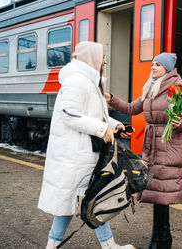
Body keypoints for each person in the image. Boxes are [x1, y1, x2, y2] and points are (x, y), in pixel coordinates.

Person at [38, 41, 134, 249]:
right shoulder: (77, 81)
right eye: (103, 57)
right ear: (92, 58)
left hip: (82, 154)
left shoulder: (89, 81)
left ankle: (104, 245)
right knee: (84, 200)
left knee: (89, 199)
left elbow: (95, 115)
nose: (105, 61)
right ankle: (105, 246)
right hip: (73, 155)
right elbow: (69, 115)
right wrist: (101, 130)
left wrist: (116, 125)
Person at [105, 53, 182, 249]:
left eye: (158, 65)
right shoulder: (150, 87)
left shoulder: (177, 89)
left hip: (168, 146)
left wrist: (178, 124)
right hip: (153, 146)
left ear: (167, 69)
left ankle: (159, 239)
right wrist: (111, 99)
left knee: (161, 194)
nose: (152, 67)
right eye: (152, 64)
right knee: (156, 193)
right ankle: (162, 238)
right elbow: (131, 108)